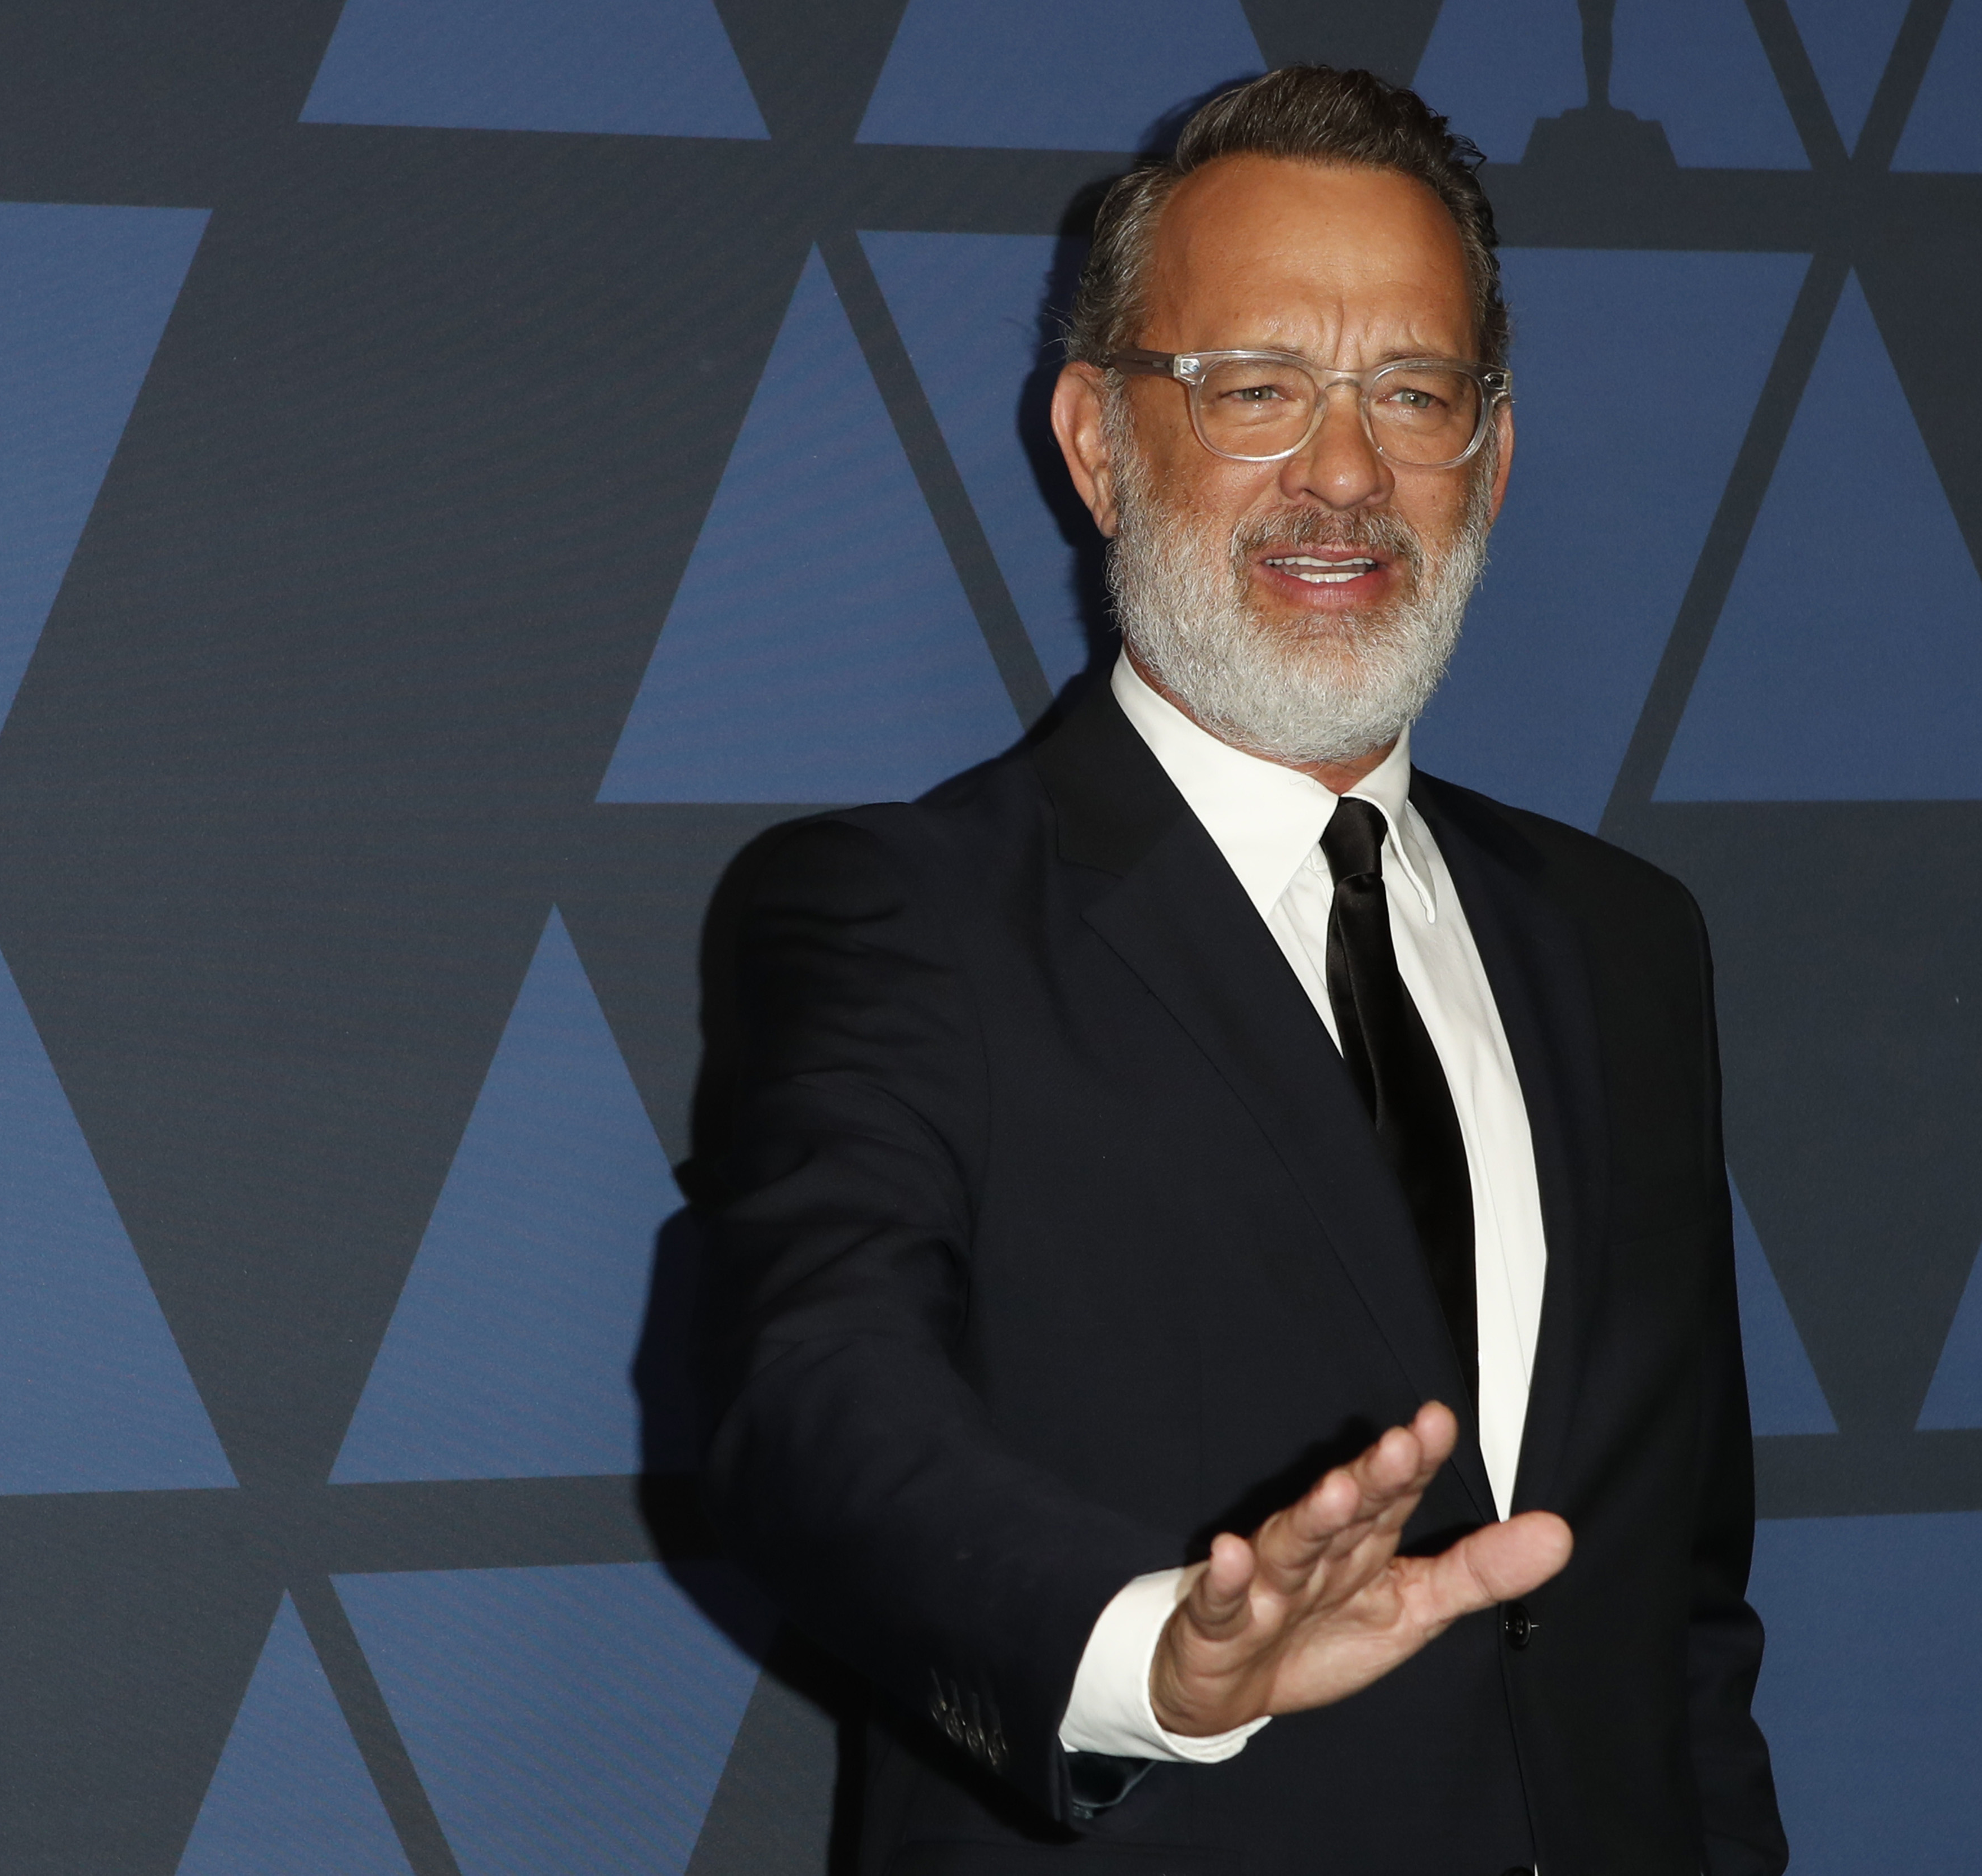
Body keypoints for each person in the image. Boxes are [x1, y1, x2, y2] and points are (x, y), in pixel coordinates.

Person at [694, 65, 1786, 1876]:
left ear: (1491, 458)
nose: (1343, 473)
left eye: (1412, 394)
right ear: (1099, 441)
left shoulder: (1623, 943)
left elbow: (1677, 1612)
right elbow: (809, 1413)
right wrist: (1151, 1668)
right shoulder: (899, 915)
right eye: (1256, 391)